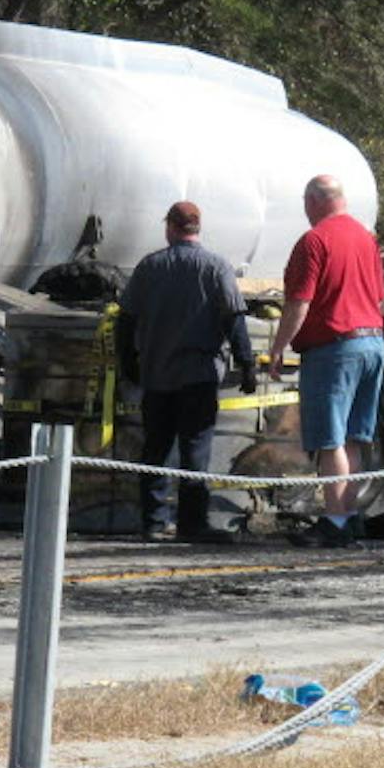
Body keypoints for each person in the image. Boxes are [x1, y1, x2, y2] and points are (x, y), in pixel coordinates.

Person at [116, 201, 255, 542]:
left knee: (156, 449)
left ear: (170, 227)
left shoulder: (150, 267)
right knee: (195, 448)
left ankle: (153, 521)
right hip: (200, 375)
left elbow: (125, 320)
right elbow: (233, 319)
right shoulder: (216, 267)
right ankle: (193, 523)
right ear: (197, 227)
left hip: (157, 375)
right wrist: (247, 364)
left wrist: (129, 363)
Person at [267, 175, 384, 547]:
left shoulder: (315, 240)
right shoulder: (366, 240)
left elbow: (299, 302)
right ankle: (349, 516)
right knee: (353, 437)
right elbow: (379, 296)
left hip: (335, 348)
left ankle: (334, 521)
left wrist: (279, 347)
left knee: (329, 439)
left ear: (315, 201)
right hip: (372, 342)